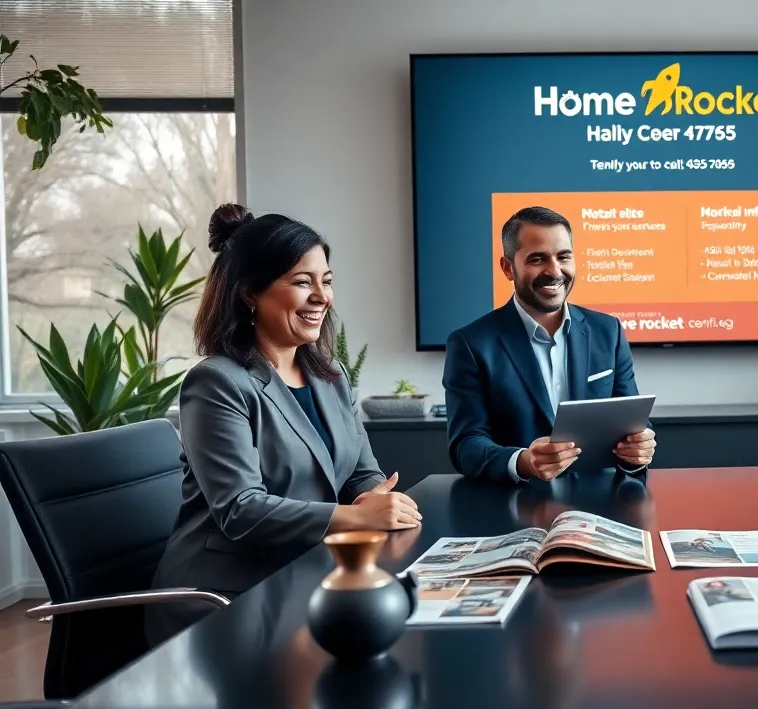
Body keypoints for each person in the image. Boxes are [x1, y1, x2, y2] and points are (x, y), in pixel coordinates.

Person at [148, 203, 421, 644]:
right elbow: (241, 510)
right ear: (250, 293)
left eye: (326, 281)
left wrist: (374, 496)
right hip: (225, 598)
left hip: (306, 573)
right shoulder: (216, 382)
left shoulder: (331, 376)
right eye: (301, 282)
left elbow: (360, 471)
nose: (322, 297)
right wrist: (354, 516)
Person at [442, 206, 655, 483]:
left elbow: (632, 425)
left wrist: (638, 450)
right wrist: (523, 462)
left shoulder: (608, 331)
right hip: (514, 501)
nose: (555, 271)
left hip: (601, 500)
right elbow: (466, 445)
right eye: (537, 259)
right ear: (508, 268)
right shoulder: (471, 344)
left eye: (563, 257)